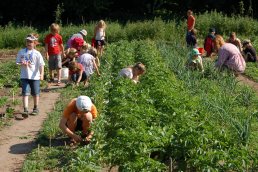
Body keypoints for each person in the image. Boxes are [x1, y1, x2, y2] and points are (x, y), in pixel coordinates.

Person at [15, 34, 45, 119]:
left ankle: (35, 108)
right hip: (24, 76)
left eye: (31, 42)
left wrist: (42, 74)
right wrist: (22, 63)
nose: (29, 43)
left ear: (35, 43)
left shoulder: (37, 53)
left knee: (35, 93)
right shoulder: (21, 52)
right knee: (25, 93)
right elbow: (18, 62)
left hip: (35, 77)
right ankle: (25, 110)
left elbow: (41, 65)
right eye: (28, 41)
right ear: (26, 42)